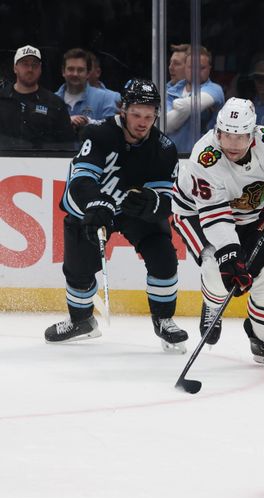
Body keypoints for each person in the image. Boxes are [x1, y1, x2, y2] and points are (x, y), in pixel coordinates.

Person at [171, 97, 264, 365]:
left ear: (253, 135)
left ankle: (263, 342)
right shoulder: (204, 158)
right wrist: (229, 253)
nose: (231, 144)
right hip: (195, 213)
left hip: (249, 214)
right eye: (225, 135)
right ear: (217, 131)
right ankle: (213, 303)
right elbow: (214, 214)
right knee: (215, 266)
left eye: (239, 137)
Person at [44, 79, 188, 352]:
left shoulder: (164, 148)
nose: (143, 122)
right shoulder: (98, 133)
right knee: (79, 270)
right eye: (136, 114)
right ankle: (81, 321)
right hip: (92, 207)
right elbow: (82, 179)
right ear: (123, 109)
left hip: (133, 211)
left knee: (163, 255)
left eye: (149, 115)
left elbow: (169, 199)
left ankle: (164, 320)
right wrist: (95, 203)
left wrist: (152, 203)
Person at [0, 44, 74, 150]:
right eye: (25, 64)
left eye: (35, 65)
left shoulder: (55, 104)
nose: (30, 69)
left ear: (40, 69)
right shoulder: (2, 99)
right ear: (15, 68)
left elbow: (68, 145)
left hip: (45, 163)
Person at [165, 46, 225, 153]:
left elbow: (186, 106)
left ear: (209, 69)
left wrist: (180, 106)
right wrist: (186, 107)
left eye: (201, 68)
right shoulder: (171, 91)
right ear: (185, 68)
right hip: (172, 157)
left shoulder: (215, 90)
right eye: (191, 67)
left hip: (202, 158)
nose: (195, 72)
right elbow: (167, 125)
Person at [55, 48, 119, 133]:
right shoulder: (51, 100)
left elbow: (113, 132)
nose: (75, 74)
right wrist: (66, 122)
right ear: (63, 71)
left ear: (88, 73)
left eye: (80, 70)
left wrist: (87, 123)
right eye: (71, 69)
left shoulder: (108, 98)